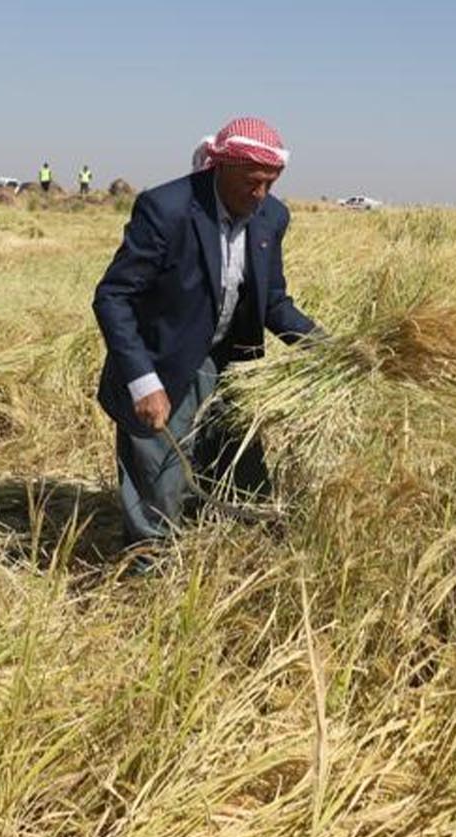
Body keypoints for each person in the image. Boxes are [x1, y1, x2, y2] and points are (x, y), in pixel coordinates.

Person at [91, 116, 321, 553]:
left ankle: (239, 548)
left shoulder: (271, 216)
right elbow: (113, 298)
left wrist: (327, 349)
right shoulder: (167, 209)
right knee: (158, 476)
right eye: (252, 182)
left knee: (238, 463)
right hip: (164, 358)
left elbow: (273, 301)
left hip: (228, 359)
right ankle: (149, 568)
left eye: (269, 183)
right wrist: (143, 380)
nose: (260, 195)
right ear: (222, 167)